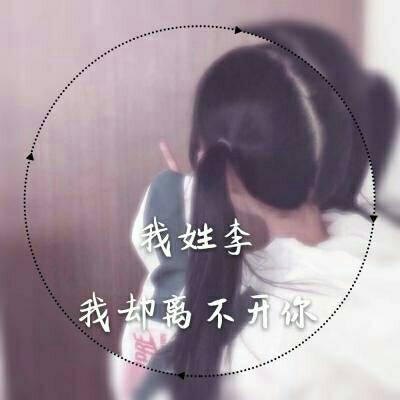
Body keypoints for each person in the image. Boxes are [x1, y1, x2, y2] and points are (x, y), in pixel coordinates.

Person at [111, 24, 400, 400]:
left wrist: (173, 266)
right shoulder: (373, 245)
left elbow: (144, 388)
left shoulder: (257, 348)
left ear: (218, 171)